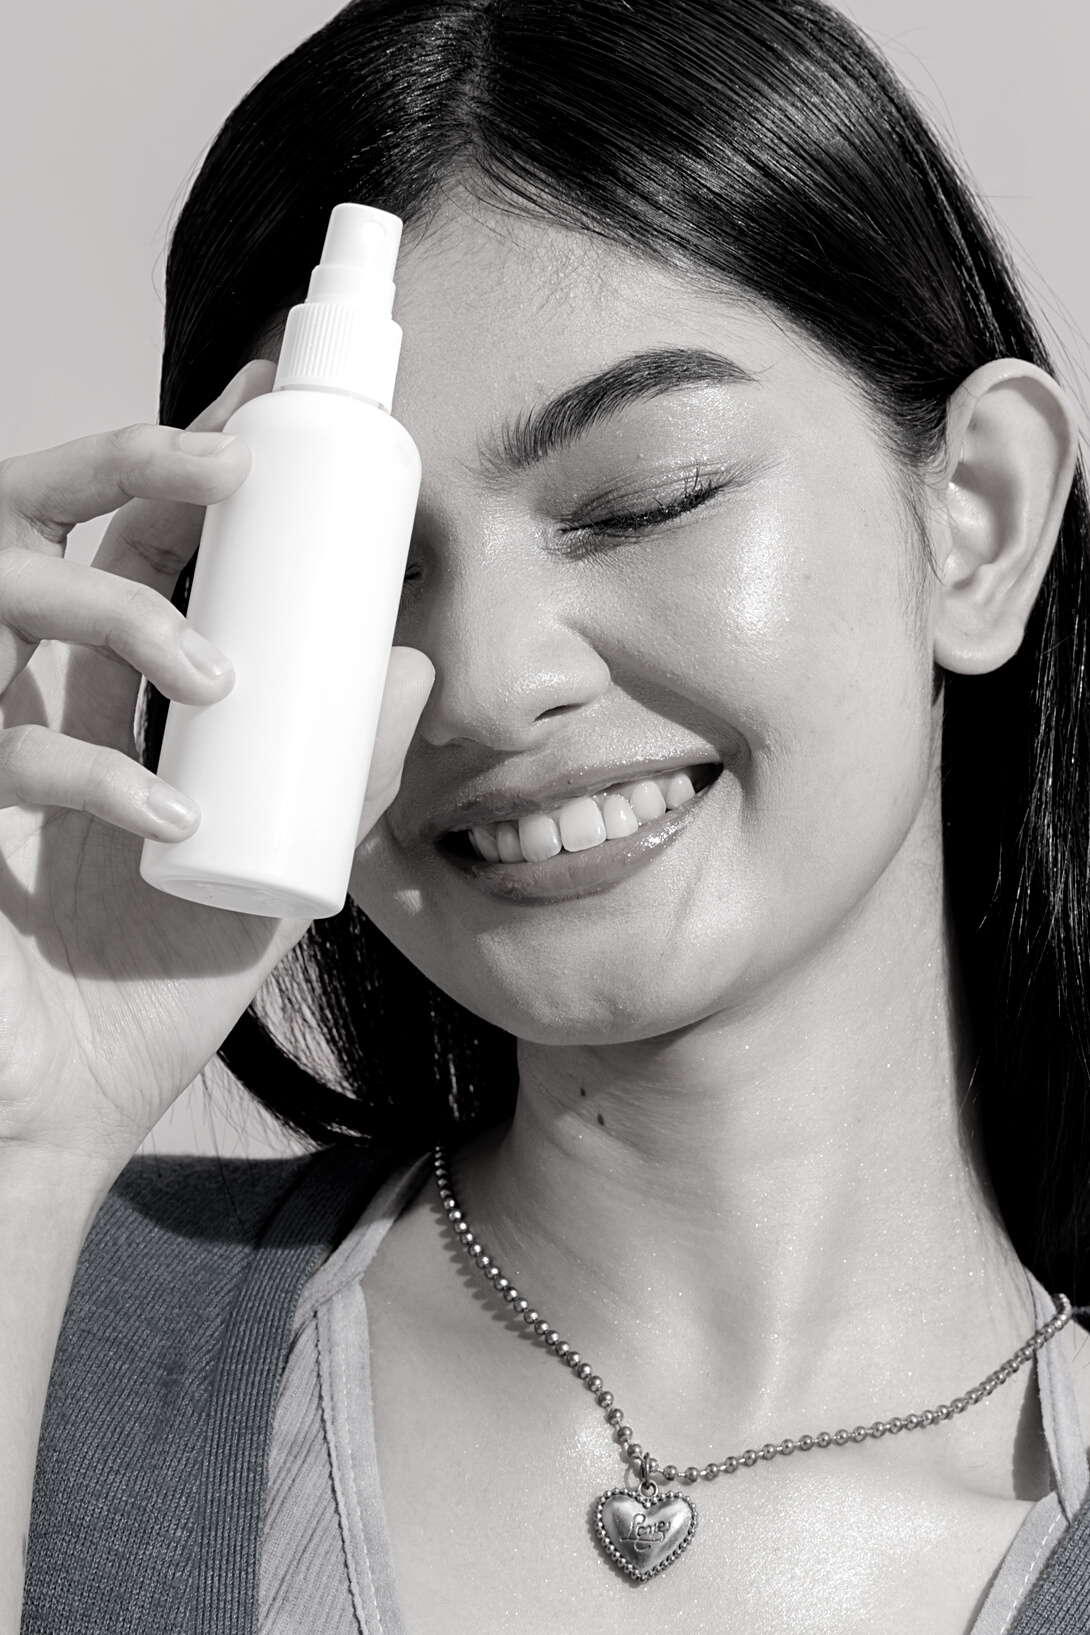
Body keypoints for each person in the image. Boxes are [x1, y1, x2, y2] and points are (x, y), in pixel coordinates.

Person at [3, 0, 1090, 1630]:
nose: (488, 682)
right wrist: (26, 1148)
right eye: (359, 572)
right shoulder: (60, 1302)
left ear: (977, 521)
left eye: (640, 500)